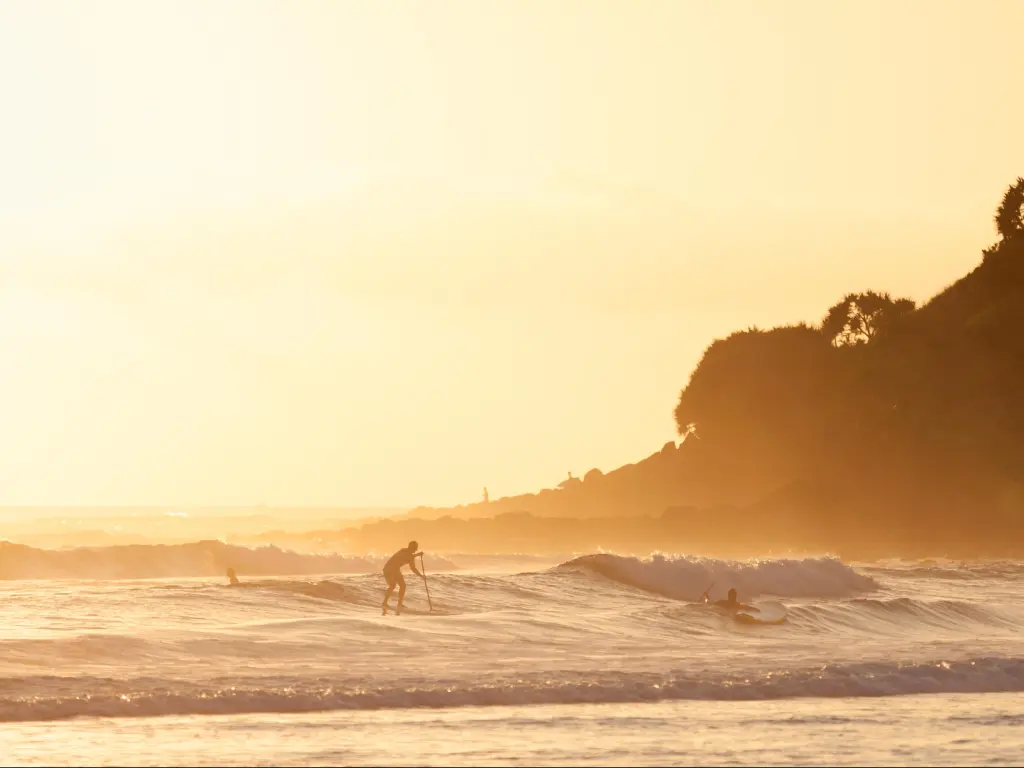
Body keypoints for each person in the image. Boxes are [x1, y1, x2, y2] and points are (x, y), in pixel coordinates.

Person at [382, 540, 422, 615]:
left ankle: (399, 604)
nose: (414, 549)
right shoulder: (403, 551)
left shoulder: (411, 556)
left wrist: (421, 576)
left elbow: (413, 568)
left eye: (415, 548)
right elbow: (404, 556)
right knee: (392, 585)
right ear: (410, 547)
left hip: (396, 569)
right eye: (413, 548)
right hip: (389, 568)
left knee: (403, 586)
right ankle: (384, 603)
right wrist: (417, 555)